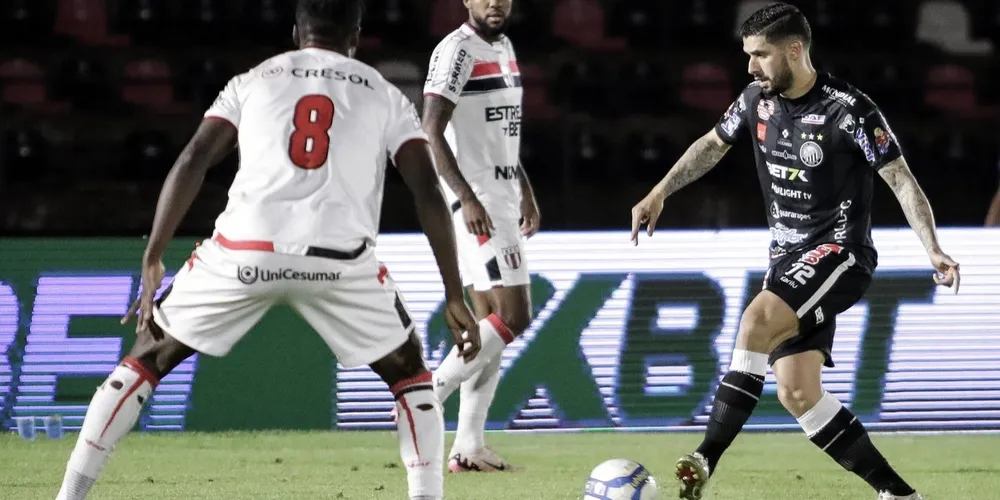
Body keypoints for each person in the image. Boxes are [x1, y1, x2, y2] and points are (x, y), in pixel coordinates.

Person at [54, 1, 480, 499]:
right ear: (356, 34)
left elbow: (194, 158)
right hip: (339, 260)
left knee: (148, 355)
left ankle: (70, 495)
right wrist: (454, 292)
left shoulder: (252, 79)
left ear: (297, 31)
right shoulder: (384, 94)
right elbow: (427, 189)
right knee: (410, 373)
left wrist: (155, 252)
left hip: (244, 252)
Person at [629, 4, 959, 500]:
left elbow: (900, 178)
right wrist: (660, 191)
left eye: (760, 55)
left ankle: (704, 458)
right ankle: (900, 495)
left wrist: (932, 248)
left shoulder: (850, 109)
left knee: (756, 322)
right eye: (748, 56)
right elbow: (713, 144)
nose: (750, 67)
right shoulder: (756, 101)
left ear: (794, 49)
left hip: (840, 254)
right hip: (786, 262)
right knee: (798, 392)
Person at [421, 0, 540, 472]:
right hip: (482, 205)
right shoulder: (456, 51)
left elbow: (502, 136)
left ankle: (468, 446)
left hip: (503, 196)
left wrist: (525, 190)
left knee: (489, 320)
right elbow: (430, 129)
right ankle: (427, 394)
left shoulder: (504, 46)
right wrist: (467, 198)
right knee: (516, 314)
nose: (495, 2)